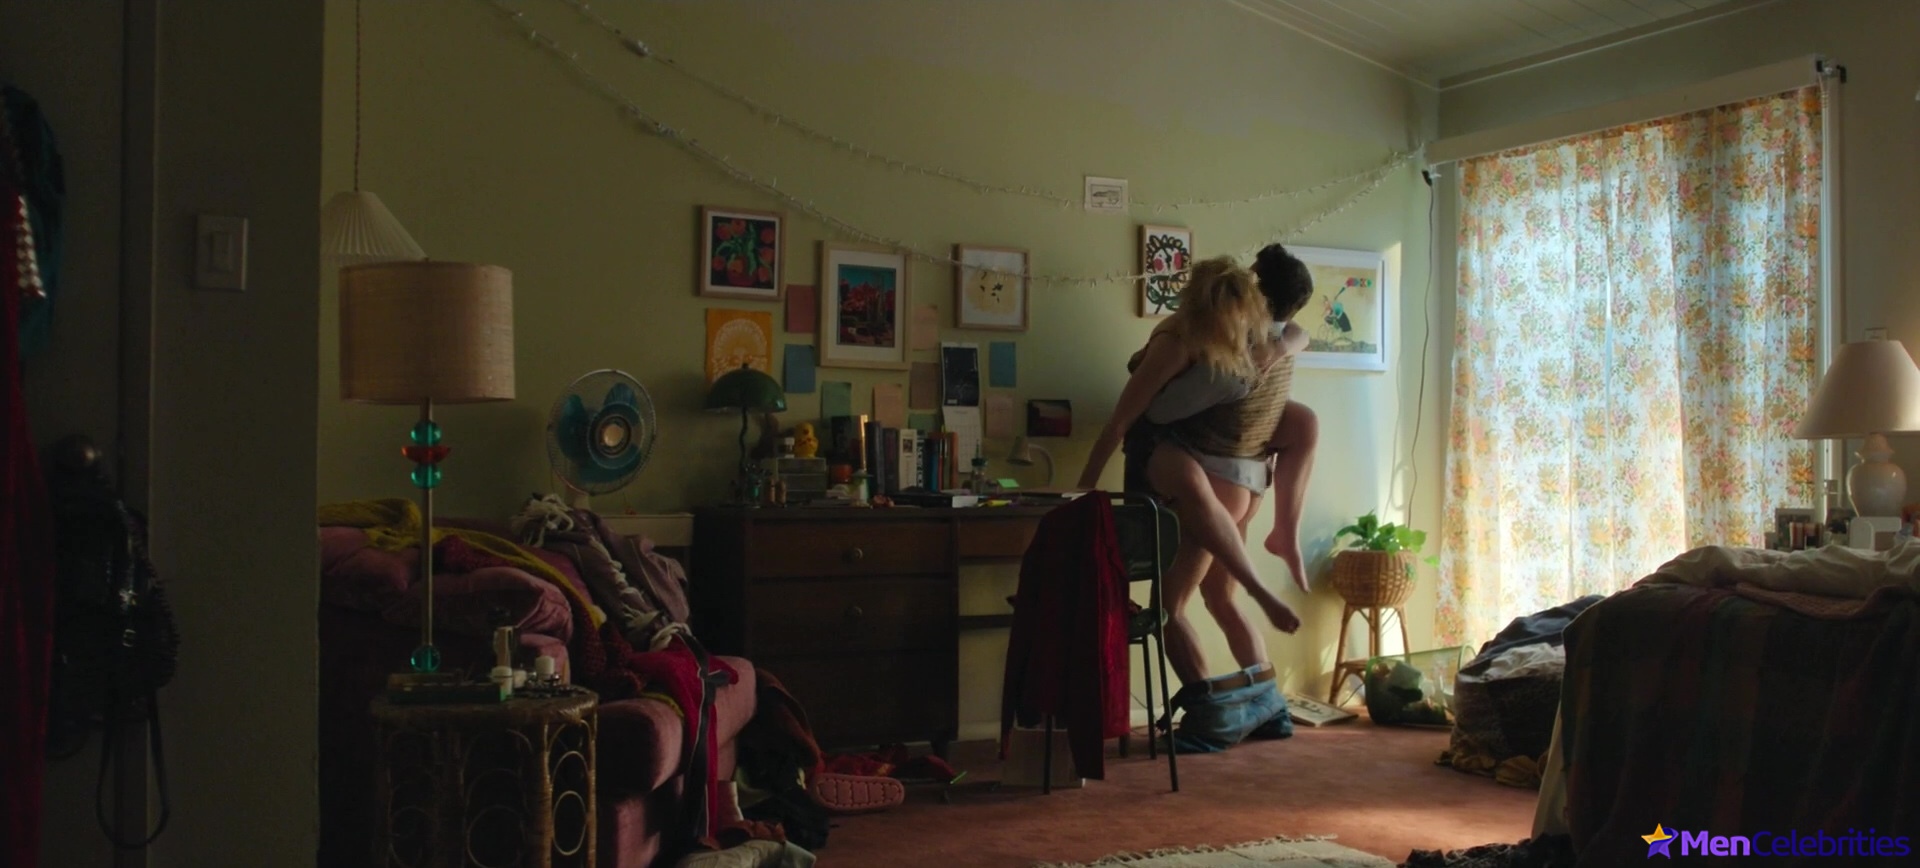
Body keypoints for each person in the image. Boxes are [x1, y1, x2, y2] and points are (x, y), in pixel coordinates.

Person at [1076, 246, 1319, 750]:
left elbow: (1123, 422)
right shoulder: (1260, 341)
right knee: (1220, 599)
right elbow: (1296, 334)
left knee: (1170, 608)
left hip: (1212, 487)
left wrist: (1085, 487)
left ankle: (1211, 716)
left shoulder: (1196, 343)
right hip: (1251, 483)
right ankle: (1270, 706)